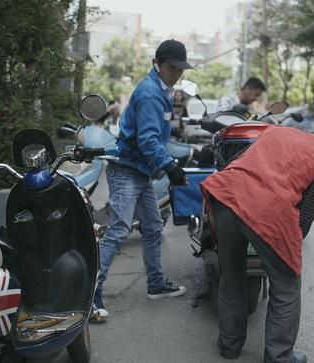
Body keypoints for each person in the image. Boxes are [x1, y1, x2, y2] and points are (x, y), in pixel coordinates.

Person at [201, 125, 314, 363]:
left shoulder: (278, 132)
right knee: (287, 285)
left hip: (226, 196)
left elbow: (234, 161)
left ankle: (228, 346)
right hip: (265, 212)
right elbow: (304, 220)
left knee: (231, 278)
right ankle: (280, 357)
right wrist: (284, 251)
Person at [92, 39, 193, 320]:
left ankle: (156, 285)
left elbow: (156, 135)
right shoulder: (150, 93)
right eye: (171, 68)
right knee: (119, 230)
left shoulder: (163, 90)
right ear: (156, 64)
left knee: (152, 227)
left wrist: (168, 159)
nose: (176, 73)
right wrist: (170, 165)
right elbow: (148, 140)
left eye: (180, 69)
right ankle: (91, 293)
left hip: (141, 170)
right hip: (127, 169)